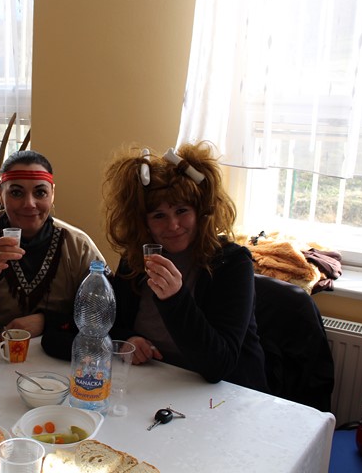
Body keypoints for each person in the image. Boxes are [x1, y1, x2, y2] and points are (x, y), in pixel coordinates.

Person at [101, 141, 269, 392]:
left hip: (225, 394)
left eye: (182, 211)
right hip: (157, 382)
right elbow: (112, 322)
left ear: (200, 212)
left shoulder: (232, 263)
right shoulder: (137, 259)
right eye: (159, 216)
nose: (173, 225)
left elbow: (219, 365)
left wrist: (174, 298)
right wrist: (128, 339)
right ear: (143, 222)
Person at [0, 150, 108, 358]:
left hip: (51, 351)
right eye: (16, 193)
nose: (29, 204)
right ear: (0, 193)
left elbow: (105, 313)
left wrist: (46, 321)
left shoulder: (78, 246)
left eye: (40, 193)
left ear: (52, 193)